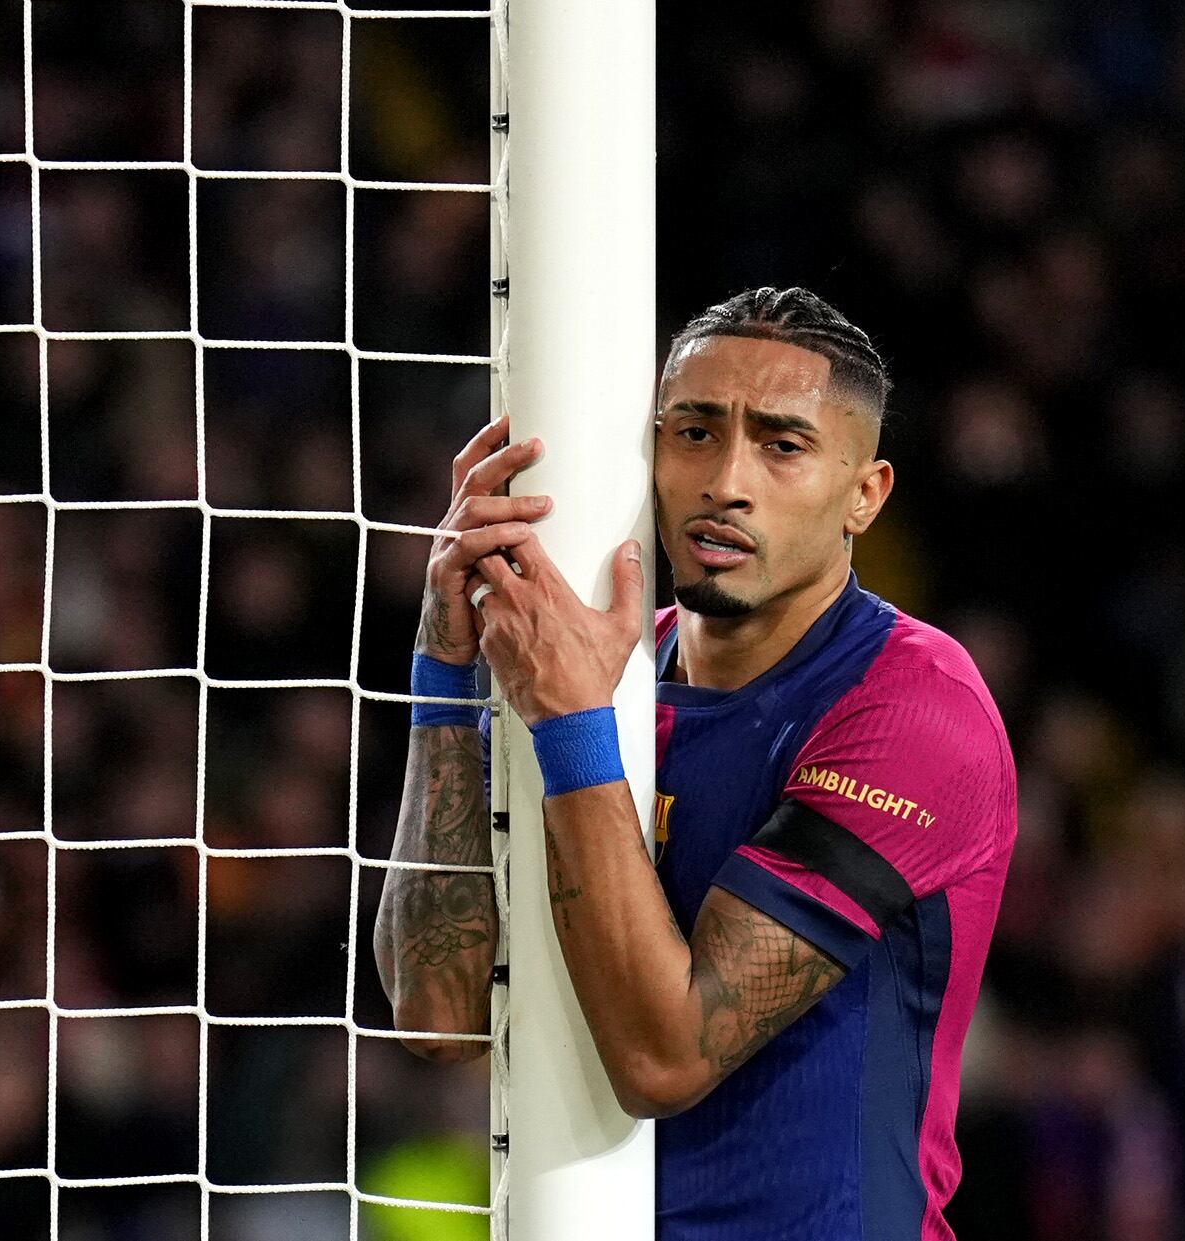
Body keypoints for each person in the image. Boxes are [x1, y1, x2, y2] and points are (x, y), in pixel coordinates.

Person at [374, 287, 1018, 1240]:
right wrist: (445, 661)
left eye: (783, 445)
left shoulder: (912, 708)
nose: (727, 481)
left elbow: (665, 1058)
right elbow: (437, 1013)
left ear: (865, 494)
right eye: (694, 433)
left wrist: (572, 720)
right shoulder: (593, 666)